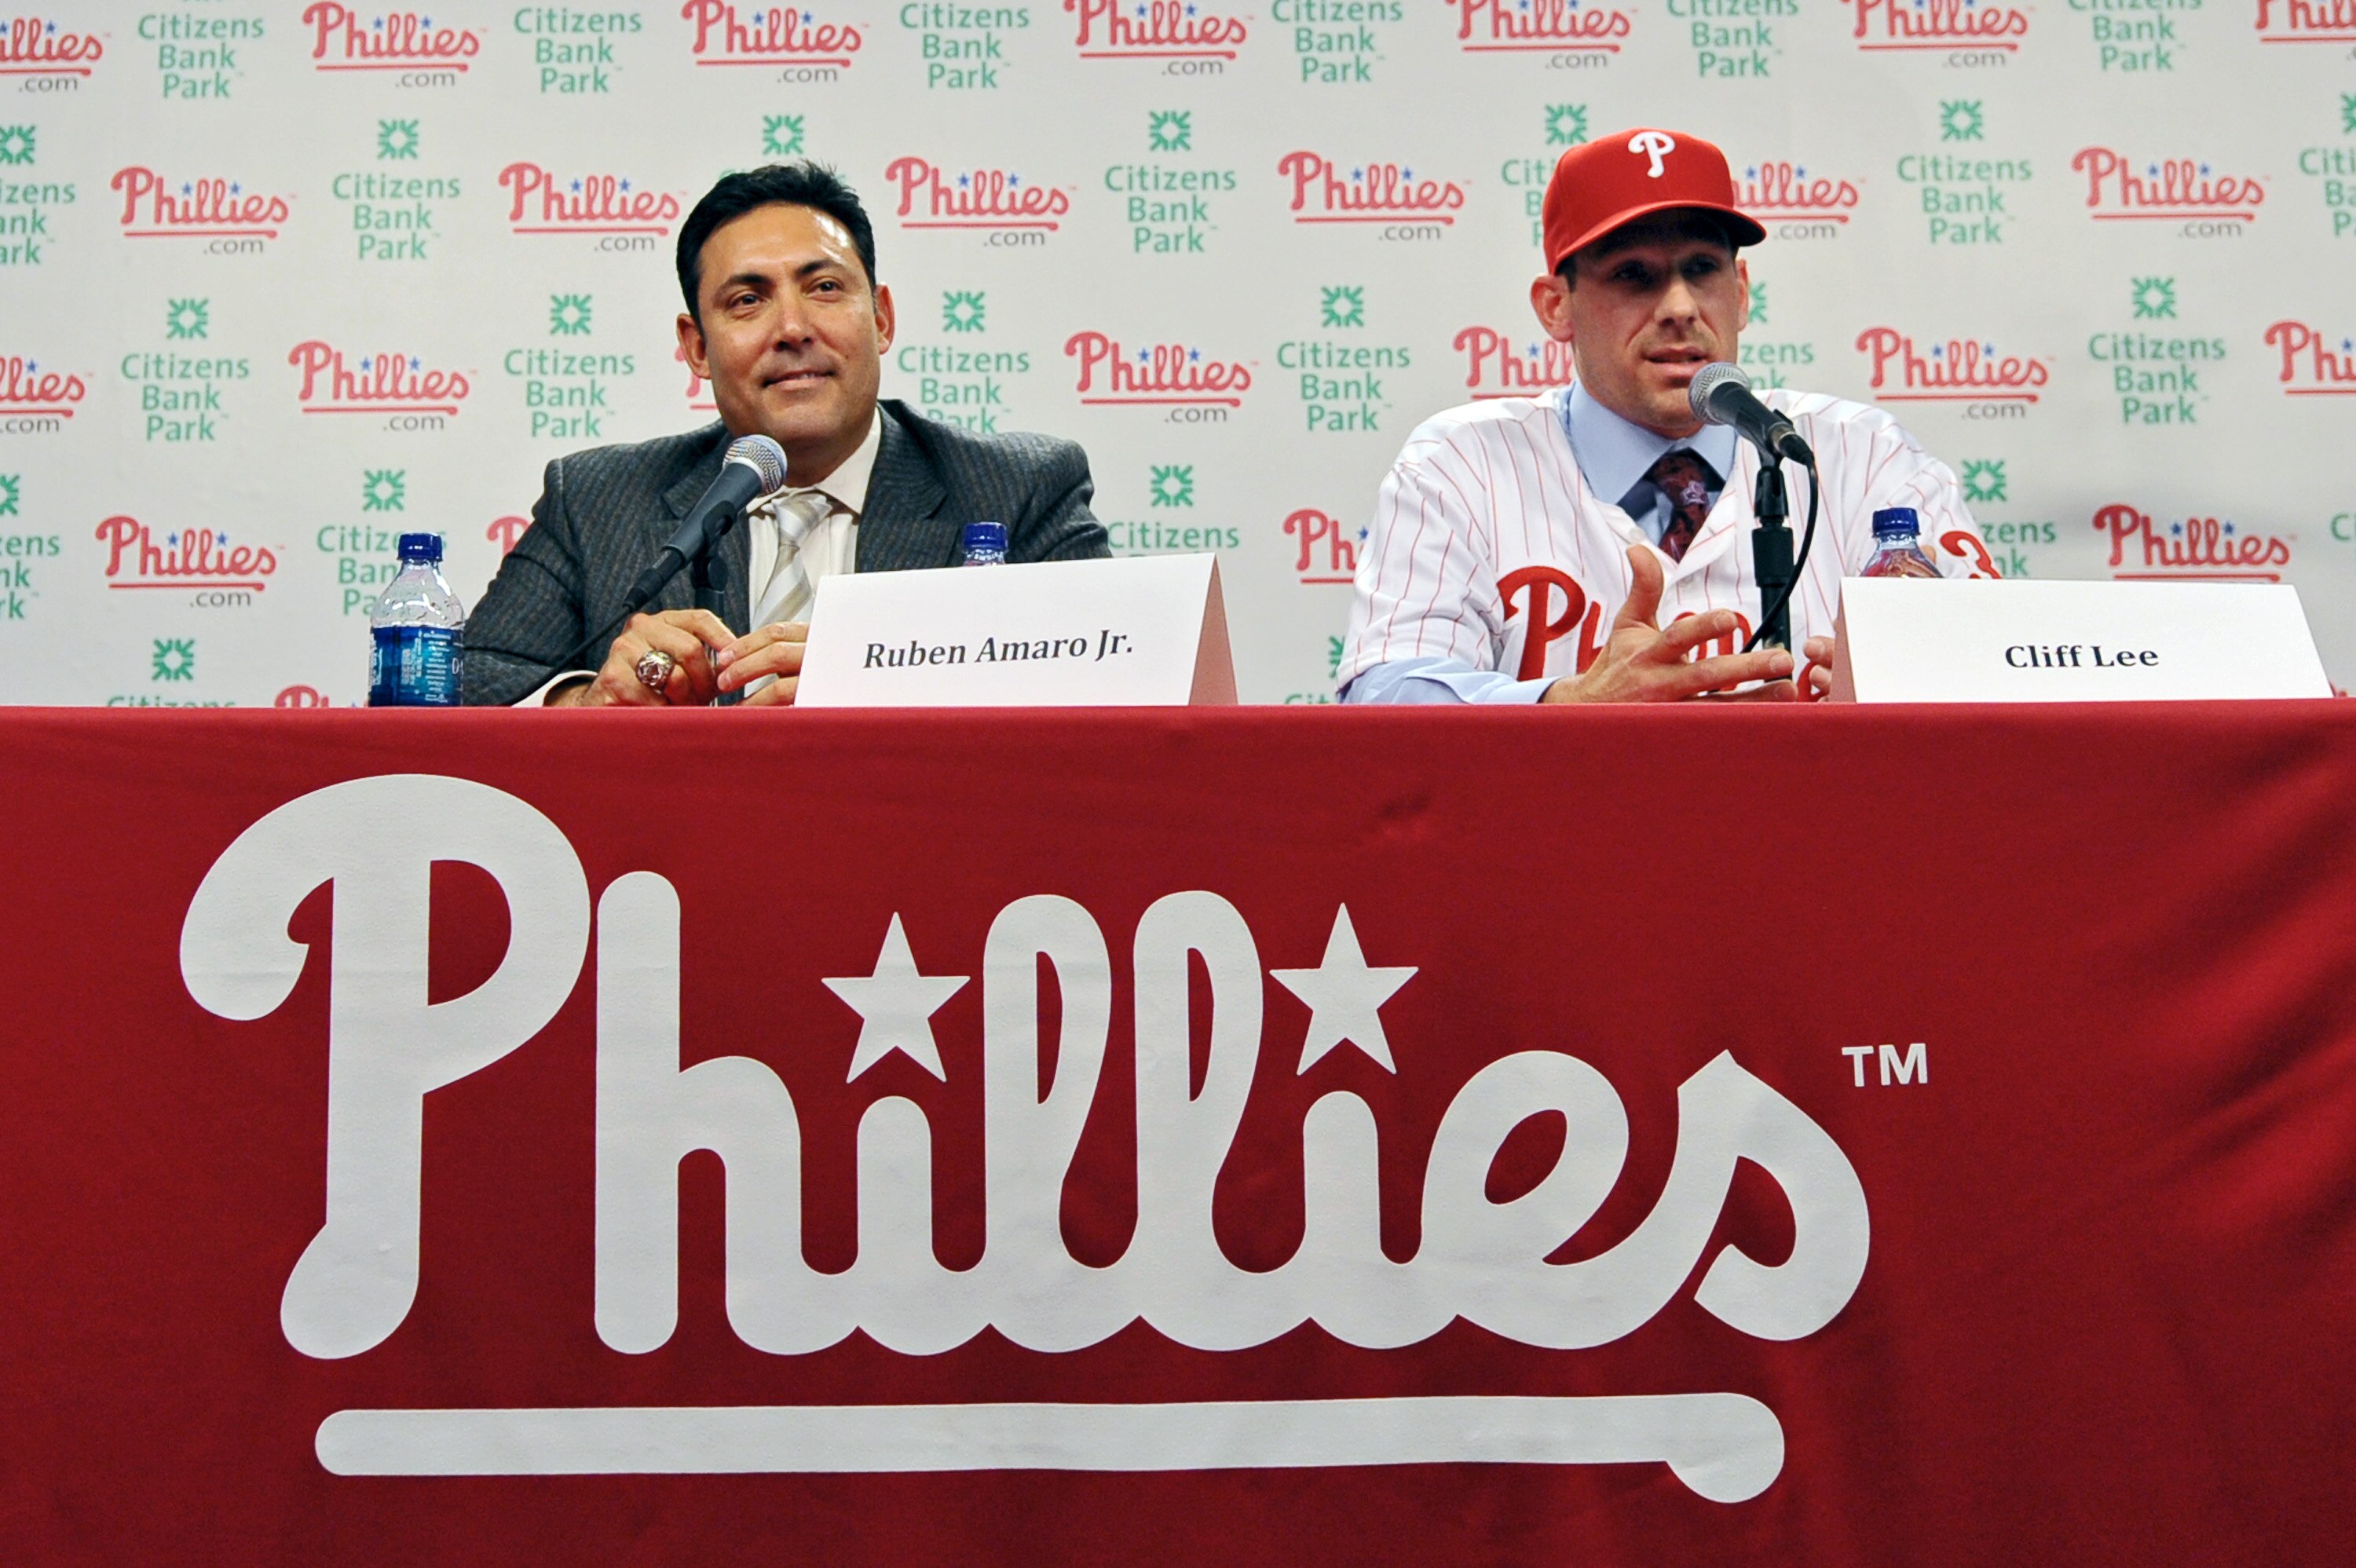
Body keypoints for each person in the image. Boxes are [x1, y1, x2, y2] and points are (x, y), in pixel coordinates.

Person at [1337, 129, 1993, 705]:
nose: (1679, 305)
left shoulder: (1861, 453)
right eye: (1633, 275)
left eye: (1701, 268)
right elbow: (1383, 693)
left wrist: (1895, 687)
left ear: (1739, 293)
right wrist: (1569, 703)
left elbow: (2002, 662)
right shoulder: (1462, 466)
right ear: (1554, 307)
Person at [464, 162, 1109, 707]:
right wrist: (585, 701)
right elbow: (465, 683)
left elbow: (1116, 682)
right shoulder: (598, 498)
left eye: (825, 288)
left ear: (881, 319)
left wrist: (875, 682)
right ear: (696, 347)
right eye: (748, 300)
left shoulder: (1017, 488)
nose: (793, 328)